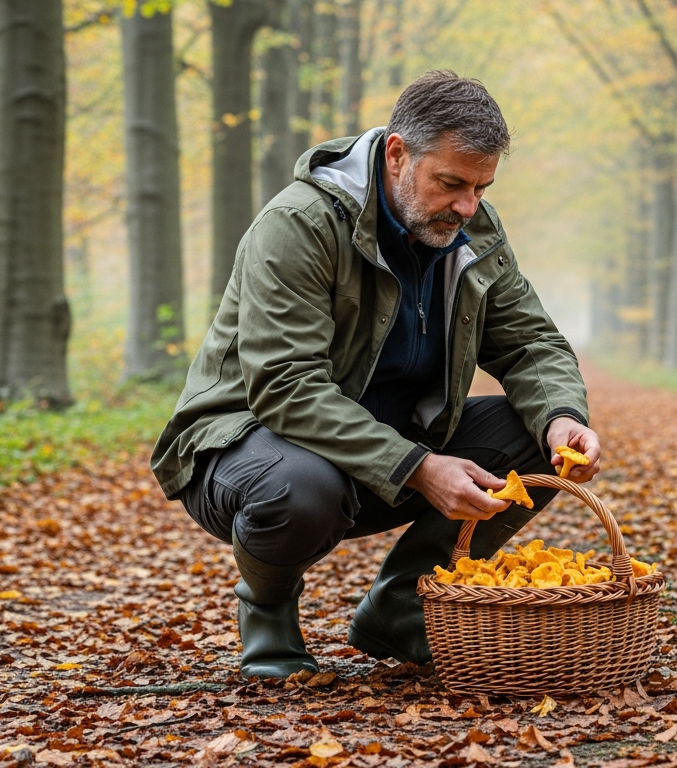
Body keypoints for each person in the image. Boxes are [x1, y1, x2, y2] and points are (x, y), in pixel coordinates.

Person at [150, 70, 600, 679]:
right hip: (247, 448)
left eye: (481, 187)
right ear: (396, 154)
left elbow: (530, 342)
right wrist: (420, 468)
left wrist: (563, 417)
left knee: (532, 435)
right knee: (300, 487)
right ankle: (267, 614)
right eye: (451, 183)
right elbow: (286, 386)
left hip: (387, 452)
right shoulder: (300, 225)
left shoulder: (473, 230)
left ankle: (402, 607)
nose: (468, 206)